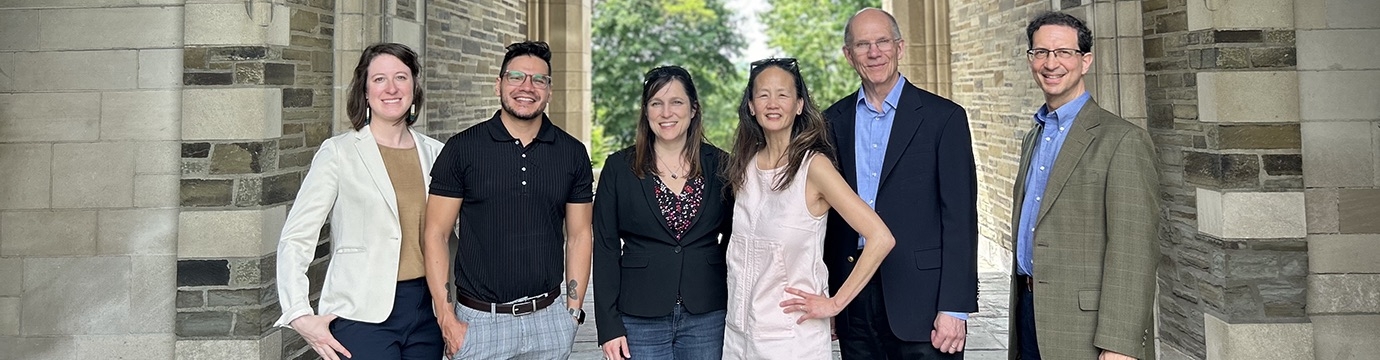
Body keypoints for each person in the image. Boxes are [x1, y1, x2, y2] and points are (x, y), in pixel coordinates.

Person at [821, 8, 979, 359]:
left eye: (882, 42)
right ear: (849, 55)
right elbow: (827, 218)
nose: (874, 52)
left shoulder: (944, 118)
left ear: (900, 47)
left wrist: (954, 307)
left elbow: (960, 219)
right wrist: (832, 295)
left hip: (924, 302)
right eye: (862, 45)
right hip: (854, 296)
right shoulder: (832, 121)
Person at [420, 40, 594, 359]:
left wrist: (572, 312)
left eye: (538, 79)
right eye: (516, 76)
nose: (527, 86)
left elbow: (581, 234)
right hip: (479, 323)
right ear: (499, 84)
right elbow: (435, 233)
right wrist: (446, 318)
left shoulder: (572, 153)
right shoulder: (462, 149)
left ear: (549, 90)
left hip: (550, 322)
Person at [274, 43, 446, 360]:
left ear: (414, 86)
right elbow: (297, 236)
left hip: (428, 311)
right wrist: (298, 312)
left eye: (401, 77)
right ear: (365, 91)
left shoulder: (436, 153)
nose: (391, 88)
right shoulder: (338, 152)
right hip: (359, 313)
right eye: (379, 79)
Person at [721, 57, 896, 360]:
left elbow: (880, 237)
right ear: (751, 105)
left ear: (799, 105)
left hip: (791, 339)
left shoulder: (814, 167)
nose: (772, 103)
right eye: (763, 94)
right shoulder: (745, 166)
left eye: (783, 94)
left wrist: (835, 304)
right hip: (739, 337)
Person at [1009, 11, 1160, 360]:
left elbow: (1135, 251)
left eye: (1063, 52)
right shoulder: (1033, 137)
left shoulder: (1123, 140)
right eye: (1041, 53)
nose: (1051, 63)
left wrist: (1119, 345)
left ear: (1085, 60)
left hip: (1087, 330)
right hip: (1029, 314)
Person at [593, 65, 734, 360]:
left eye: (676, 102)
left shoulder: (722, 165)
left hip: (707, 313)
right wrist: (608, 325)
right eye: (656, 103)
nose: (666, 112)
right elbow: (605, 248)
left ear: (694, 109)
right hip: (639, 316)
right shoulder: (619, 167)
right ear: (646, 111)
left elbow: (736, 236)